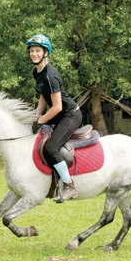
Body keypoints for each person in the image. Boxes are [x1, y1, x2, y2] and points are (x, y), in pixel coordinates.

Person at [26, 34, 82, 202]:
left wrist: (42, 119)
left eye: (37, 50)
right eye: (31, 51)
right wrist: (36, 116)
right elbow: (44, 96)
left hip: (69, 114)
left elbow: (57, 106)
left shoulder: (50, 75)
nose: (34, 54)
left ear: (45, 52)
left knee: (51, 148)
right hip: (58, 113)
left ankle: (69, 186)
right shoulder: (37, 72)